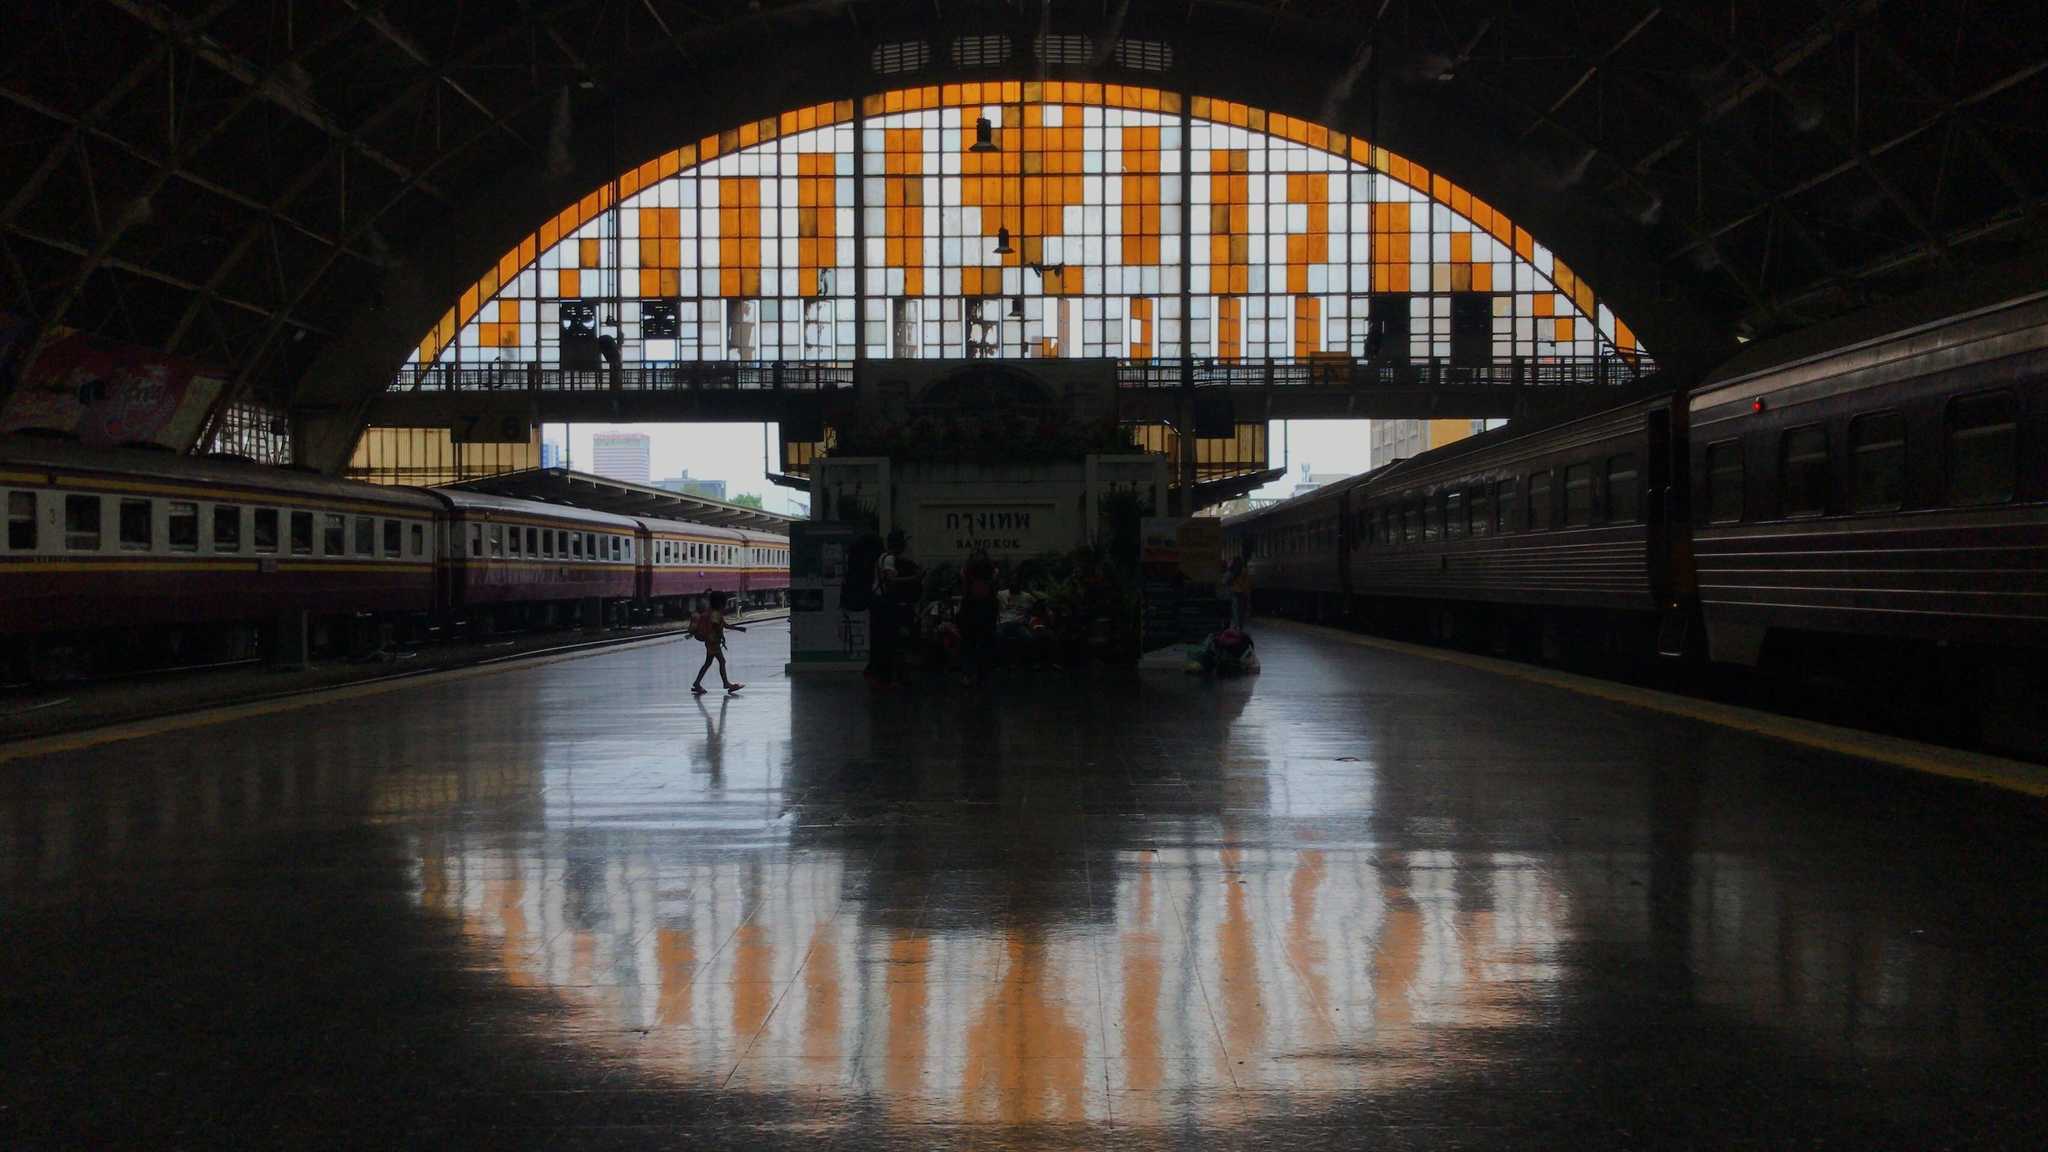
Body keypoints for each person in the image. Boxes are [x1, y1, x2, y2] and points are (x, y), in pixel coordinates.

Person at [866, 529, 912, 685]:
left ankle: (880, 675)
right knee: (887, 640)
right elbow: (891, 581)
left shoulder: (882, 557)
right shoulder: (889, 559)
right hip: (883, 605)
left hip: (877, 603)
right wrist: (914, 578)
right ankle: (884, 676)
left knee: (880, 640)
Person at [957, 547, 999, 685]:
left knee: (971, 642)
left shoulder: (967, 572)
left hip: (974, 608)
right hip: (981, 608)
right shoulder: (991, 572)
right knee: (980, 642)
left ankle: (970, 675)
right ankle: (979, 675)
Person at [690, 595, 746, 695]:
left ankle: (697, 683)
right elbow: (717, 626)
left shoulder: (712, 612)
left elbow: (724, 625)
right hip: (713, 642)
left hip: (710, 641)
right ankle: (726, 684)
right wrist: (721, 637)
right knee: (721, 661)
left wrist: (738, 628)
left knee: (708, 663)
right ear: (720, 603)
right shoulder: (715, 614)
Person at [1226, 552, 1252, 632]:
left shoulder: (1231, 572)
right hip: (1242, 594)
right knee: (1241, 613)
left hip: (1234, 594)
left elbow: (1226, 582)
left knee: (1235, 613)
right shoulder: (1244, 571)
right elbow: (1248, 584)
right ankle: (1239, 628)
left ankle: (1235, 628)